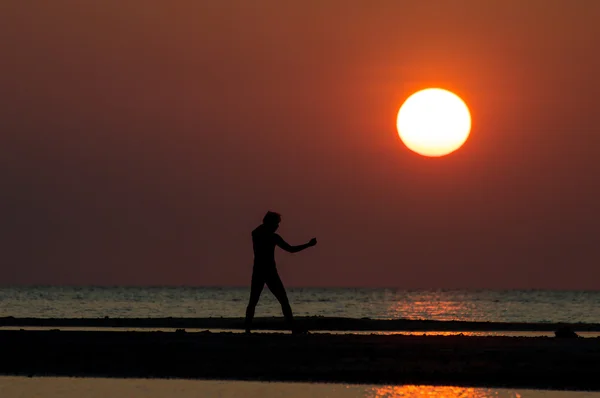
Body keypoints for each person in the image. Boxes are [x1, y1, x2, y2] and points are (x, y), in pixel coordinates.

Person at [245, 211, 317, 334]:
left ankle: (248, 330)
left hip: (265, 272)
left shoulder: (261, 234)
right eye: (276, 224)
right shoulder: (266, 236)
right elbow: (291, 249)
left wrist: (308, 245)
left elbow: (290, 249)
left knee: (277, 300)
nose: (277, 227)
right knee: (260, 301)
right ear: (269, 223)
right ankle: (247, 330)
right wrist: (308, 245)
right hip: (265, 272)